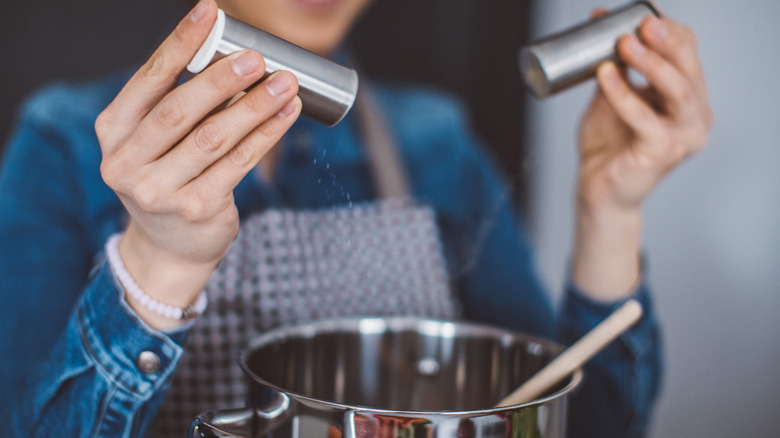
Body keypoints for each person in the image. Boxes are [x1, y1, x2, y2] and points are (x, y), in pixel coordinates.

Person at [0, 0, 712, 436]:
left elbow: (581, 429)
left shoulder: (438, 142)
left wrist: (610, 210)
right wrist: (162, 267)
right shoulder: (66, 142)